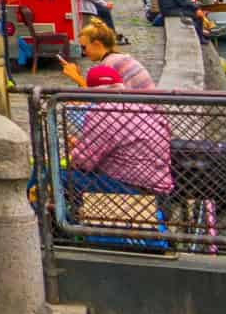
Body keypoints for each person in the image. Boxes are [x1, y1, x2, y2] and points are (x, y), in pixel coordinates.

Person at [63, 64, 173, 211]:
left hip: (132, 190)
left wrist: (75, 149)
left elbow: (84, 162)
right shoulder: (144, 106)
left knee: (56, 176)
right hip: (161, 192)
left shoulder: (101, 112)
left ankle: (58, 221)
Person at [61, 20, 156, 91]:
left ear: (97, 44)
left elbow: (99, 99)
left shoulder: (109, 64)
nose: (83, 52)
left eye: (84, 47)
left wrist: (76, 77)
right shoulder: (118, 58)